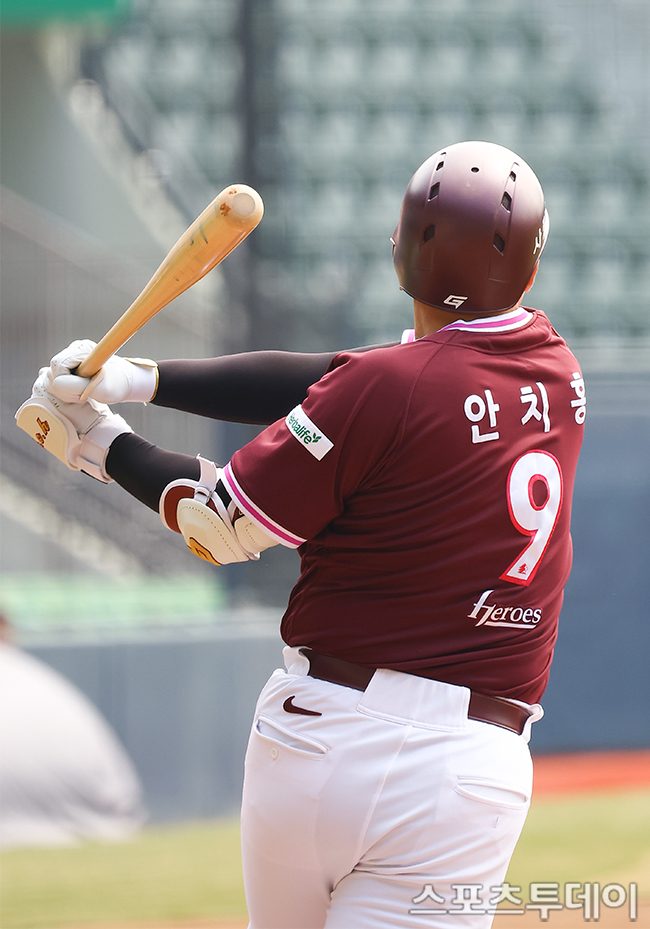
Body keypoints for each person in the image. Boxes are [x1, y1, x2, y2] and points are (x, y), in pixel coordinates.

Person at [17, 141, 586, 928]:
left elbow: (219, 524)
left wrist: (98, 441)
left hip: (322, 740)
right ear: (528, 262)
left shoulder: (386, 387)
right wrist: (141, 378)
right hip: (469, 767)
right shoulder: (557, 368)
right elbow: (346, 377)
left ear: (402, 250)